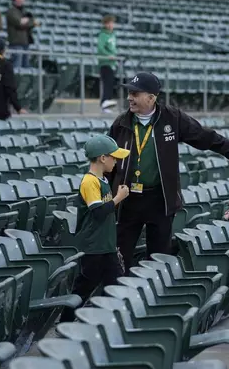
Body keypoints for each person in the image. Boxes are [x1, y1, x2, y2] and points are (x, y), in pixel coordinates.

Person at [108, 72, 229, 272]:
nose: (130, 97)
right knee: (120, 256)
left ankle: (154, 296)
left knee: (158, 259)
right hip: (127, 199)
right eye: (129, 93)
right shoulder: (121, 123)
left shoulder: (172, 118)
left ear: (152, 97)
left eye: (136, 93)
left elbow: (206, 137)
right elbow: (107, 162)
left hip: (160, 199)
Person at [59, 135, 131, 322]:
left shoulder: (103, 180)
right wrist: (119, 198)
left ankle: (116, 322)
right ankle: (65, 323)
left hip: (105, 245)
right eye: (113, 157)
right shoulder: (89, 181)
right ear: (102, 158)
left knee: (116, 285)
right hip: (93, 247)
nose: (116, 161)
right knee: (83, 288)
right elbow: (98, 212)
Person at [6, 0, 39, 68]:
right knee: (17, 68)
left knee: (25, 68)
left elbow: (34, 22)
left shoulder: (24, 11)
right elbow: (19, 23)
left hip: (26, 43)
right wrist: (30, 22)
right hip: (16, 44)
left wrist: (28, 21)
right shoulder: (11, 11)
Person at [98, 15, 118, 112]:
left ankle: (106, 104)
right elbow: (100, 49)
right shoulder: (102, 35)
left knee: (110, 84)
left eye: (112, 23)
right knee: (107, 83)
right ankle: (104, 102)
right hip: (105, 63)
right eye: (109, 23)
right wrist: (108, 56)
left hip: (112, 63)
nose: (111, 25)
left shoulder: (113, 35)